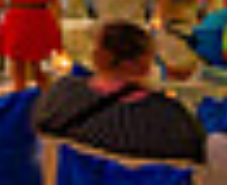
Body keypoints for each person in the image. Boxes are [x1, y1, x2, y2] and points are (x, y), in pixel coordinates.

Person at [34, 20, 206, 163]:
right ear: (145, 63)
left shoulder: (61, 97)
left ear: (96, 58)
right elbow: (194, 157)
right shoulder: (171, 120)